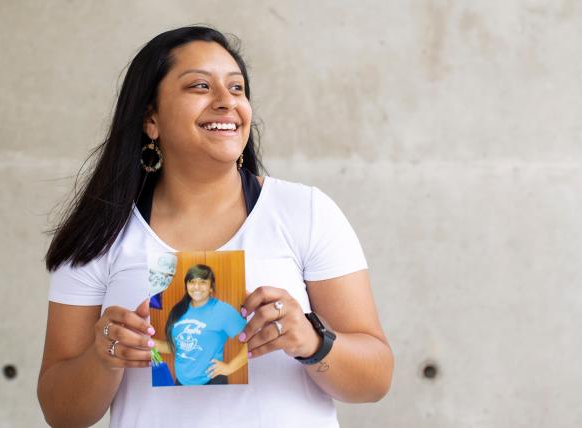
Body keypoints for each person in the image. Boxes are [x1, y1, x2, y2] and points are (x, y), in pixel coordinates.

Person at [37, 26, 393, 428]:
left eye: (238, 88)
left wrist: (311, 341)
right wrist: (103, 357)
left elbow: (375, 380)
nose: (227, 102)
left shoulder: (305, 211)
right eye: (200, 86)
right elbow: (60, 413)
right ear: (150, 118)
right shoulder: (102, 232)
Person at [152, 264, 248, 386]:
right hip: (181, 382)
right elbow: (176, 347)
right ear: (186, 286)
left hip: (211, 382)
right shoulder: (178, 310)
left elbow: (251, 337)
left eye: (202, 282)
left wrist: (230, 367)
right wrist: (148, 342)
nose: (196, 287)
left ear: (211, 287)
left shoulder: (222, 310)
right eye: (192, 282)